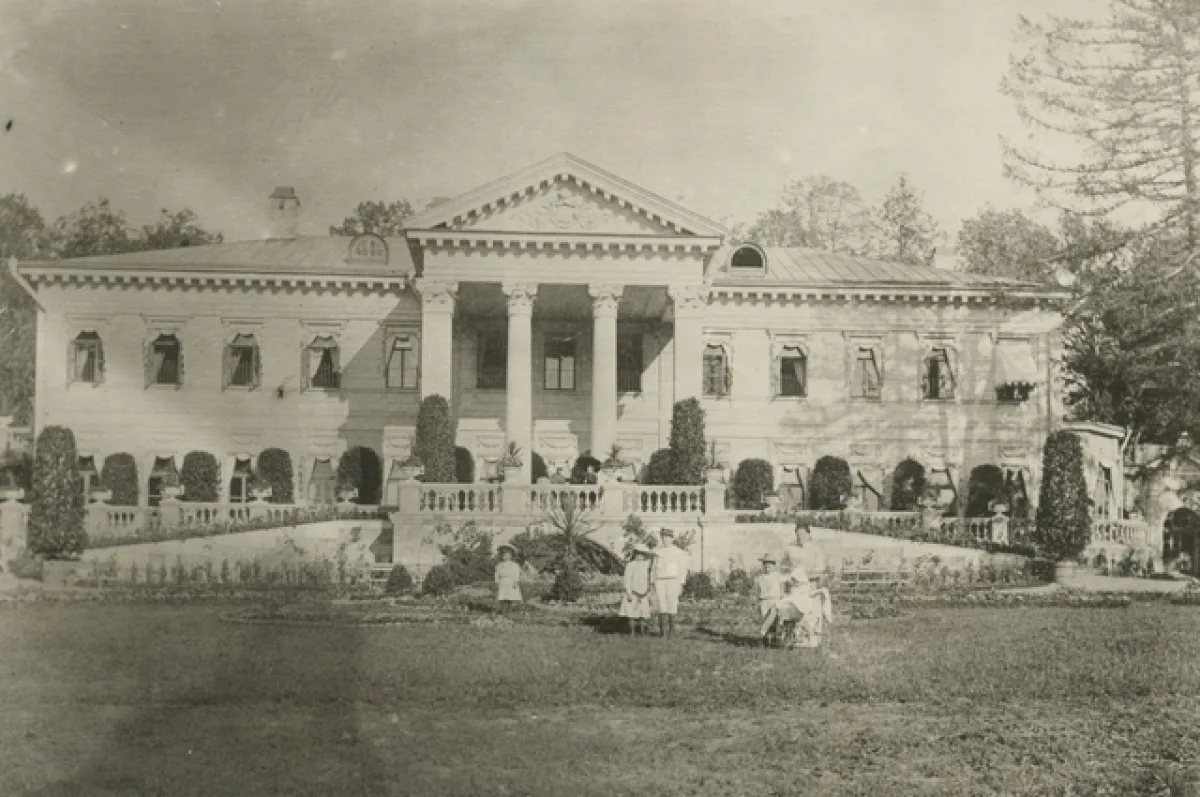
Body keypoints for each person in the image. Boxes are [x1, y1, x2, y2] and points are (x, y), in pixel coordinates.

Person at [650, 528, 689, 639]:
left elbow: (682, 569)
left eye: (667, 537)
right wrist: (652, 582)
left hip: (673, 581)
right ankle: (663, 633)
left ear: (672, 539)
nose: (665, 540)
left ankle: (672, 633)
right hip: (660, 581)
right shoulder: (658, 552)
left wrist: (681, 583)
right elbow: (653, 568)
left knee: (672, 604)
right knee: (662, 605)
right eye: (663, 538)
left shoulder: (678, 552)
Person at [619, 543, 654, 635]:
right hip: (633, 592)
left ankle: (642, 632)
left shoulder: (646, 565)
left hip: (644, 592)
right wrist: (628, 592)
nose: (640, 556)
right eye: (638, 554)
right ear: (635, 554)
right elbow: (627, 579)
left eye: (642, 554)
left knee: (643, 614)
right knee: (632, 614)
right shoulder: (630, 565)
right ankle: (632, 632)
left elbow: (649, 578)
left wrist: (648, 592)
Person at [494, 544, 522, 614]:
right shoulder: (499, 565)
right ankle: (503, 611)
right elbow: (496, 574)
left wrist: (515, 582)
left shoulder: (514, 565)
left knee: (510, 597)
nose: (505, 556)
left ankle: (509, 612)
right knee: (502, 597)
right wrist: (497, 581)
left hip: (511, 583)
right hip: (502, 582)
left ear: (510, 556)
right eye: (503, 555)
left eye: (507, 555)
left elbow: (516, 574)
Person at [755, 554, 783, 620]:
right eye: (765, 567)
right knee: (765, 618)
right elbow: (758, 591)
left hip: (775, 600)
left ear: (774, 566)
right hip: (764, 600)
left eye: (769, 567)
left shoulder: (778, 576)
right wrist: (758, 602)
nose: (767, 569)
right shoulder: (760, 577)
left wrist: (781, 600)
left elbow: (782, 589)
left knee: (775, 618)